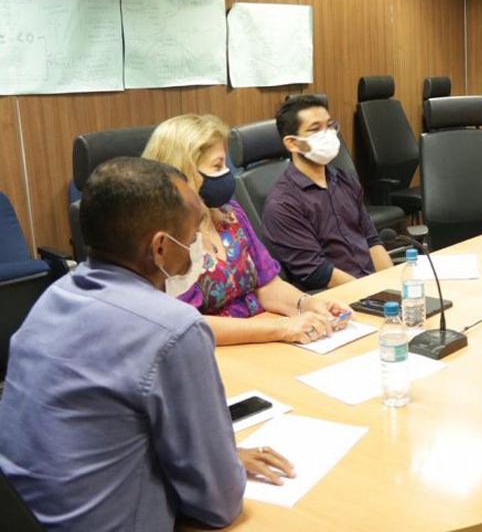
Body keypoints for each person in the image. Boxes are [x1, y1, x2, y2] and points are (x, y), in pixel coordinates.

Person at [0, 158, 295, 530]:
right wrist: (222, 464)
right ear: (159, 248)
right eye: (191, 240)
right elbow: (219, 503)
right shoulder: (173, 329)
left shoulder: (54, 296)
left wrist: (219, 456)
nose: (196, 252)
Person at [142, 113, 350, 345]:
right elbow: (189, 323)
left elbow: (267, 284)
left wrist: (306, 305)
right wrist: (278, 328)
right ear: (185, 172)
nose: (227, 174)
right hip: (215, 350)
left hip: (265, 336)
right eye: (217, 165)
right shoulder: (168, 242)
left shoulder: (230, 214)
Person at [263, 95, 393, 289]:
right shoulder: (282, 204)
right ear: (292, 143)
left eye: (330, 126)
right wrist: (372, 292)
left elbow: (372, 241)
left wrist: (393, 284)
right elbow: (317, 271)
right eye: (315, 129)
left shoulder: (345, 180)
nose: (327, 134)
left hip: (373, 287)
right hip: (334, 299)